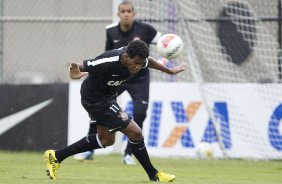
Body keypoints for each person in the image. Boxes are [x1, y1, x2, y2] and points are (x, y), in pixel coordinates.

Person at [44, 40, 185, 182]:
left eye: (140, 64)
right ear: (127, 56)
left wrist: (169, 71)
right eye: (135, 63)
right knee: (135, 132)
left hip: (108, 96)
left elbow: (150, 61)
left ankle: (56, 156)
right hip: (95, 99)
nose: (137, 67)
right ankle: (154, 175)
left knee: (106, 140)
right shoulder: (109, 60)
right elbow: (80, 67)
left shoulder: (139, 59)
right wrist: (75, 71)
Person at [74, 0, 162, 164]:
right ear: (118, 14)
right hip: (117, 79)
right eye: (123, 11)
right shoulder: (111, 31)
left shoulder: (146, 29)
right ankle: (89, 150)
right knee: (99, 110)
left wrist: (167, 55)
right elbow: (106, 54)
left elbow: (163, 43)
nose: (126, 14)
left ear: (134, 14)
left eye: (129, 11)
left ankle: (129, 153)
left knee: (140, 113)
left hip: (139, 80)